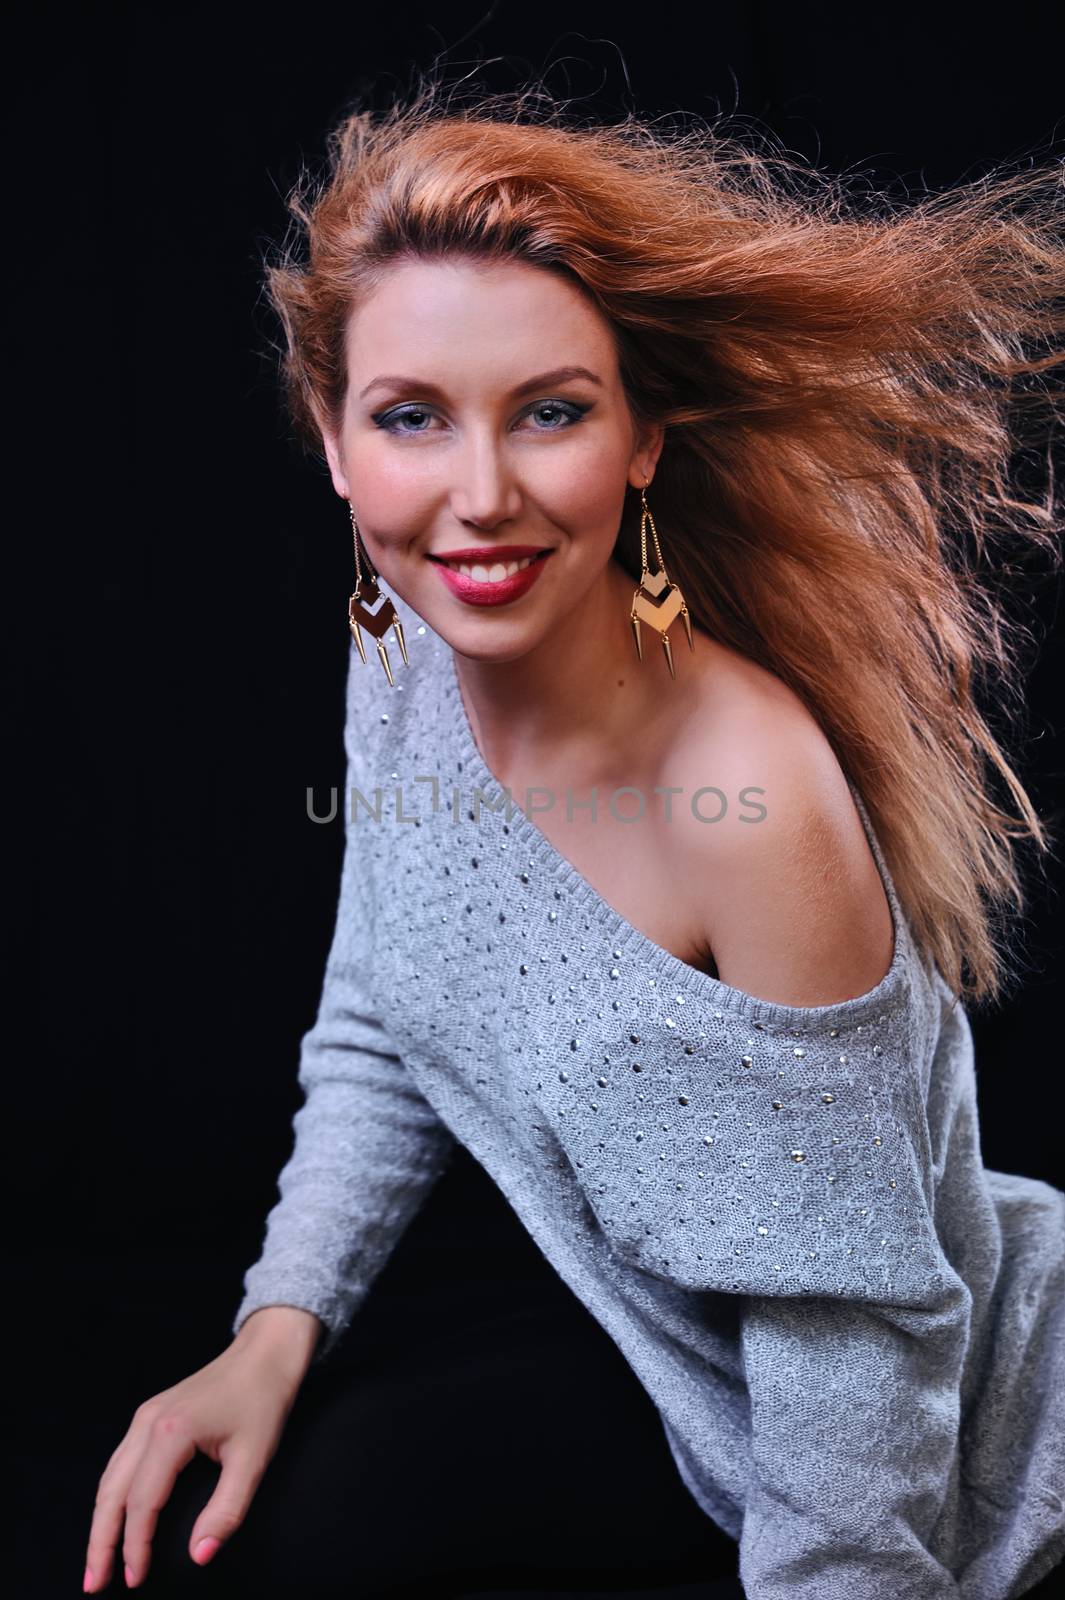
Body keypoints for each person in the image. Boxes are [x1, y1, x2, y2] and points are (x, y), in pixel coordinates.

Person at [84, 76, 1065, 1599]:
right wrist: (271, 1333)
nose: (478, 502)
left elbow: (859, 1371)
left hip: (963, 1461)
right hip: (678, 1390)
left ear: (643, 438)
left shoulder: (752, 805)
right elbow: (383, 1009)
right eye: (411, 419)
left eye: (550, 412)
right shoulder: (407, 650)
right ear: (336, 447)